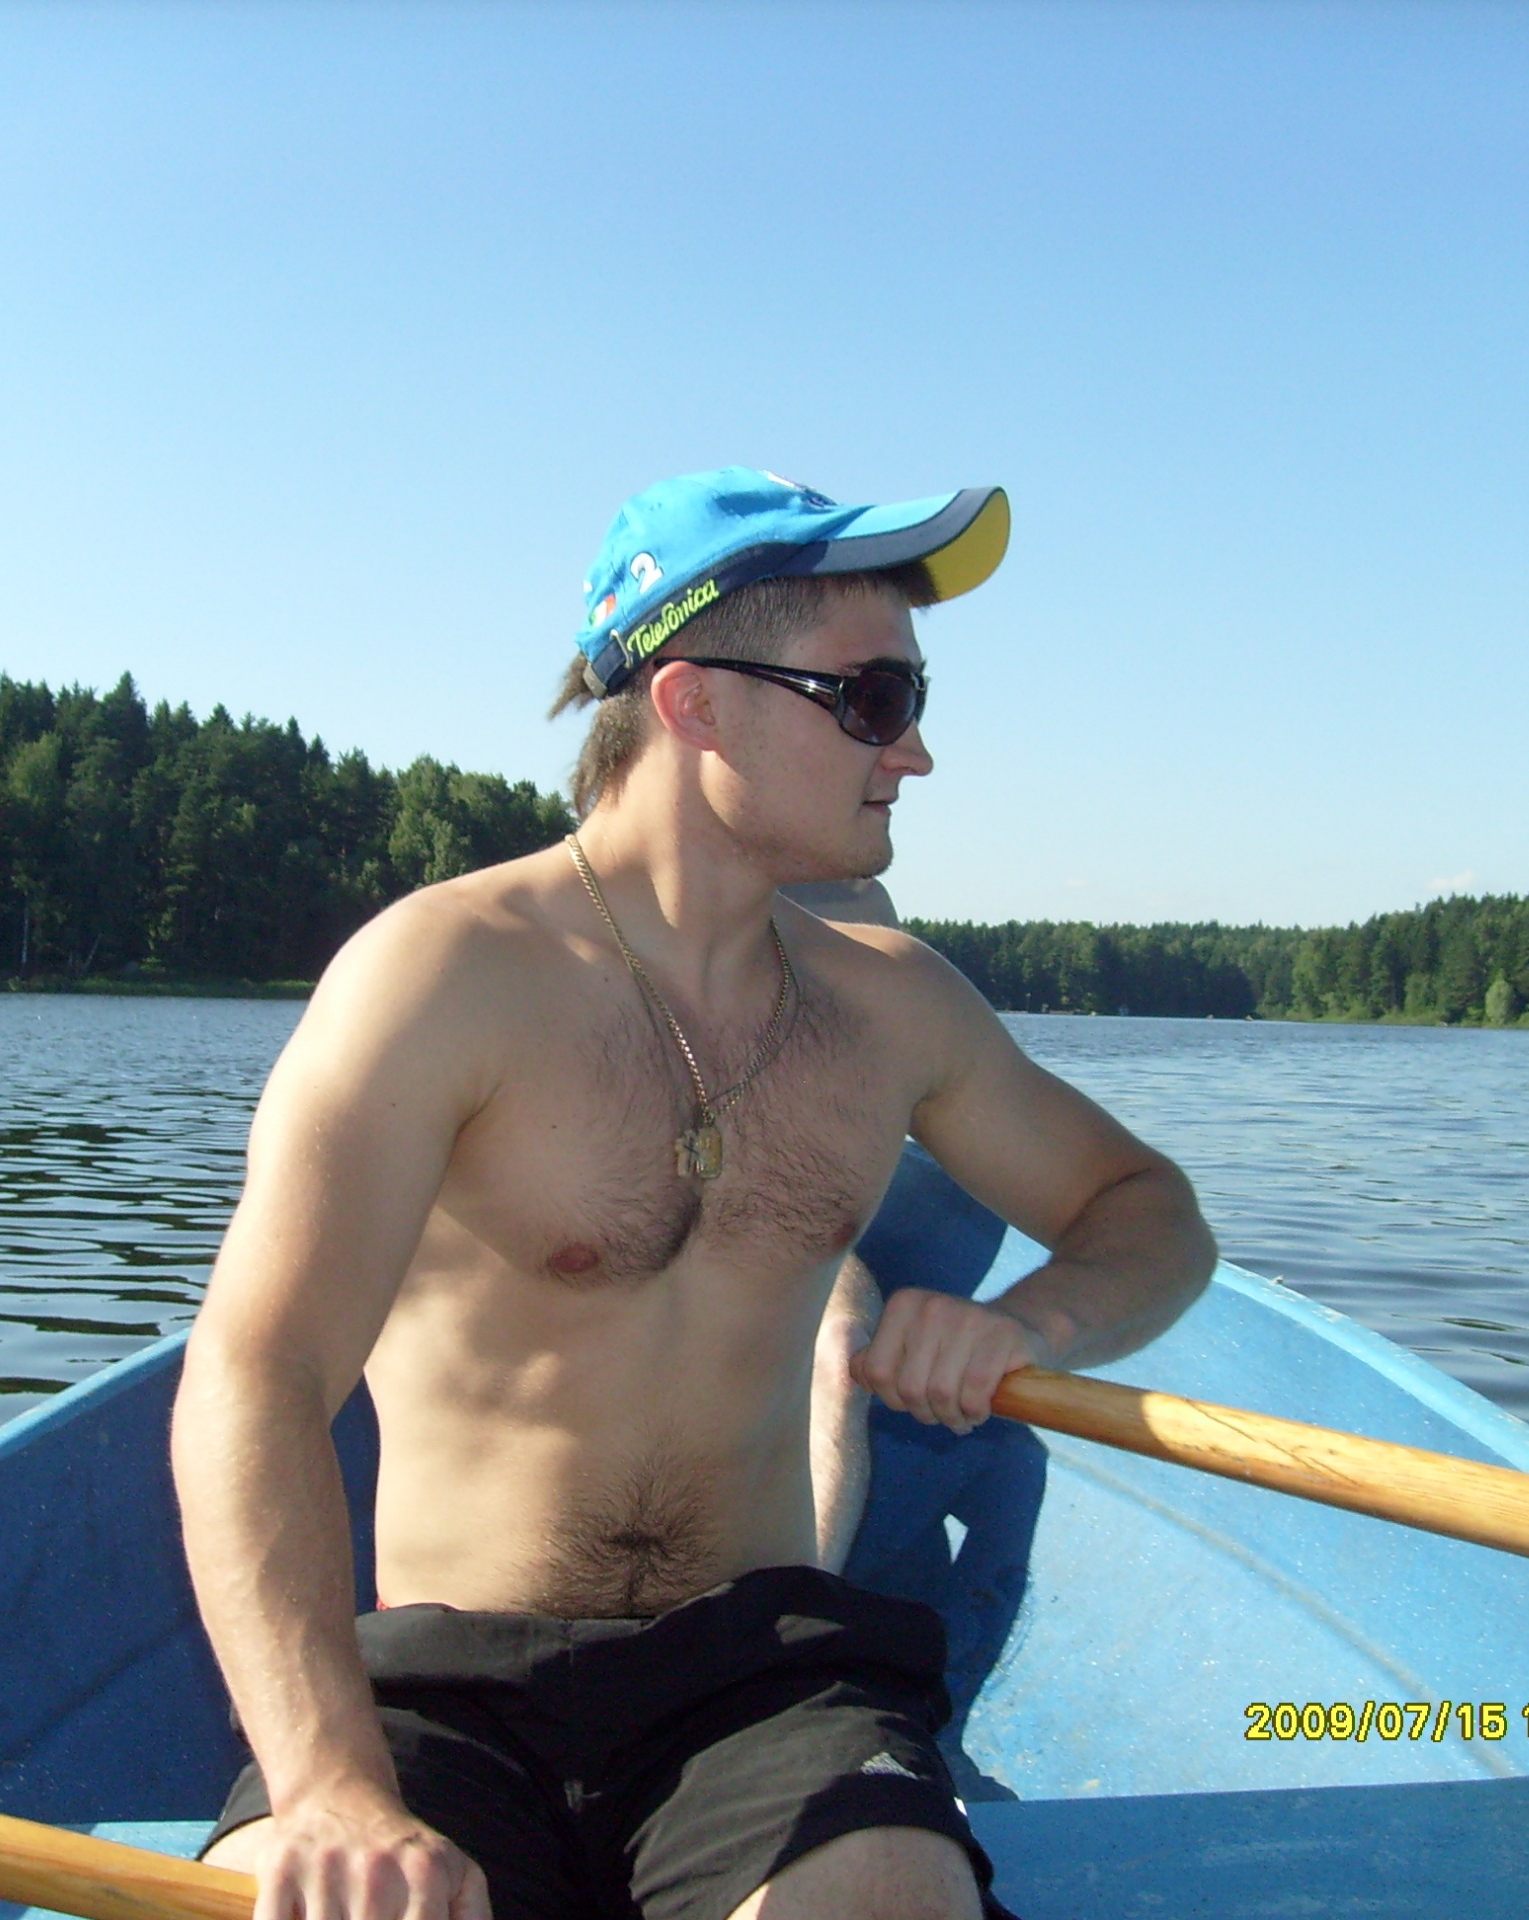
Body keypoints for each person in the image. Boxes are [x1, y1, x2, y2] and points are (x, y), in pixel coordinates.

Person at [174, 467, 1217, 1920]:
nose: (914, 752)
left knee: (888, 1893)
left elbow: (1150, 1210)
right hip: (444, 1681)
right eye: (875, 698)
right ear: (695, 703)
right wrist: (329, 1783)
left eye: (913, 699)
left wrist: (1030, 1322)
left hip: (761, 1679)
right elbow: (257, 1381)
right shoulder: (444, 976)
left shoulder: (893, 1008)